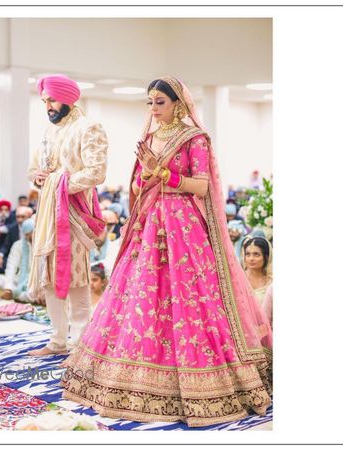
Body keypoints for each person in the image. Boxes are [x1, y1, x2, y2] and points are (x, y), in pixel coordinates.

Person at [61, 76, 272, 427]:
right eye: (149, 102)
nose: (154, 108)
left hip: (184, 227)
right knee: (142, 295)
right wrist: (143, 178)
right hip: (150, 223)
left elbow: (202, 187)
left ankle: (202, 383)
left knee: (189, 299)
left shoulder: (195, 139)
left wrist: (162, 173)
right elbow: (139, 184)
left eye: (160, 101)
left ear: (178, 102)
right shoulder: (150, 136)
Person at [26, 74, 108, 356]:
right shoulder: (49, 132)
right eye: (44, 101)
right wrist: (39, 178)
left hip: (73, 213)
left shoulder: (88, 127)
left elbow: (96, 172)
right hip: (48, 213)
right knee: (49, 276)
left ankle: (80, 344)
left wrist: (58, 183)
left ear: (68, 98)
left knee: (76, 276)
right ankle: (57, 340)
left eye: (51, 99)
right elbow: (34, 170)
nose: (47, 105)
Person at [0, 218, 37, 303]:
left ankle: (17, 295)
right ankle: (15, 293)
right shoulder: (18, 245)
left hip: (38, 282)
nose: (29, 236)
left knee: (37, 294)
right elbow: (11, 267)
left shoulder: (43, 246)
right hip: (20, 280)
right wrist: (8, 288)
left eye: (31, 232)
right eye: (26, 234)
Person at [0, 206, 33, 273]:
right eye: (18, 217)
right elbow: (6, 245)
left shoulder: (35, 228)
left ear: (29, 217)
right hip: (15, 256)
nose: (20, 219)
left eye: (23, 217)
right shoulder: (12, 228)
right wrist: (0, 256)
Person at [241, 236, 273, 306]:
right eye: (248, 254)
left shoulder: (271, 282)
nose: (251, 258)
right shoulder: (238, 279)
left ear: (267, 257)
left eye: (256, 254)